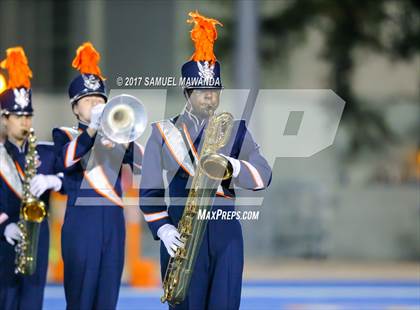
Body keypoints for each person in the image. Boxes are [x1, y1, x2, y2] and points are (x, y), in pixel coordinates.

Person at [139, 11, 272, 309]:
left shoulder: (236, 131)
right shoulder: (163, 133)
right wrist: (162, 227)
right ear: (187, 92)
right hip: (181, 232)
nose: (209, 97)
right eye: (202, 91)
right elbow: (149, 191)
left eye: (214, 90)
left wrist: (234, 166)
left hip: (226, 233)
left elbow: (264, 175)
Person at [52, 42, 143, 310]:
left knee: (107, 301)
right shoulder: (65, 134)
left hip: (114, 229)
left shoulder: (116, 137)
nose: (96, 105)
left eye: (100, 99)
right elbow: (65, 160)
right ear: (75, 108)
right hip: (81, 228)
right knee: (81, 300)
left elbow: (142, 162)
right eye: (88, 100)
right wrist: (91, 131)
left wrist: (121, 135)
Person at [0, 47, 62, 310]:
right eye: (19, 116)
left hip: (36, 241)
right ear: (4, 119)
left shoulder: (46, 151)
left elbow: (73, 176)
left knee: (32, 303)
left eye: (28, 115)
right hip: (4, 239)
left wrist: (54, 180)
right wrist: (4, 226)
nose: (25, 122)